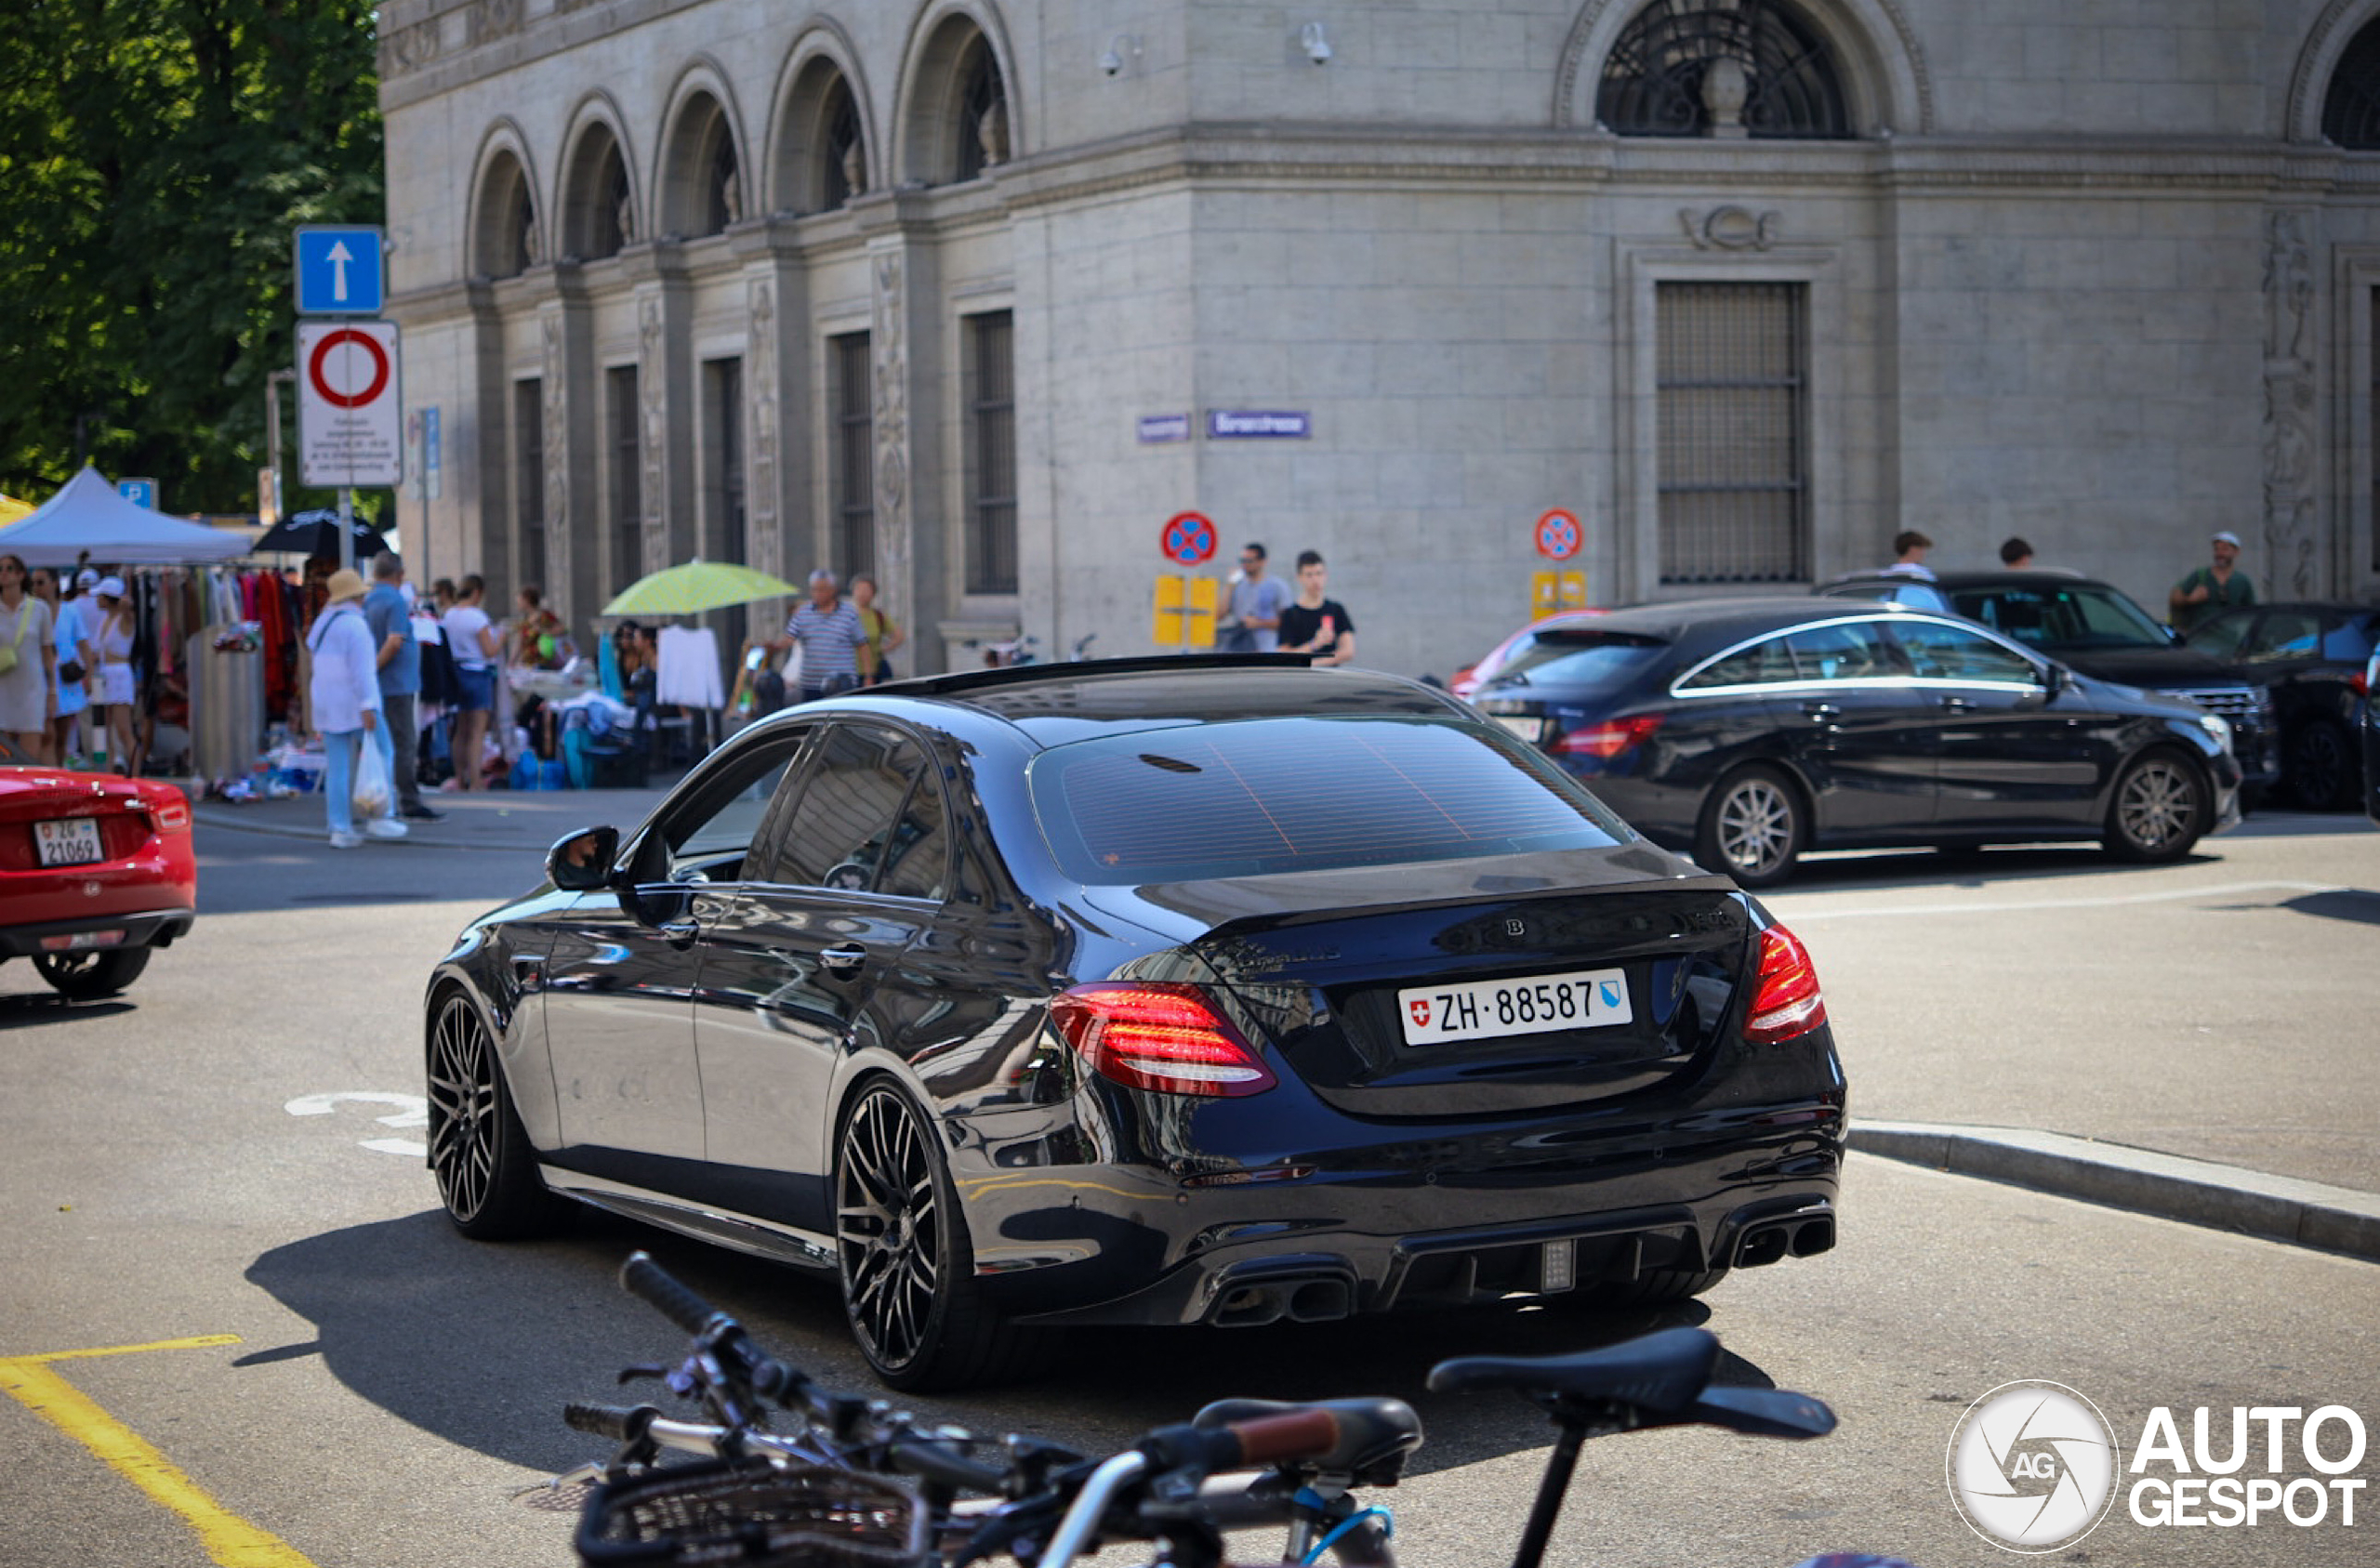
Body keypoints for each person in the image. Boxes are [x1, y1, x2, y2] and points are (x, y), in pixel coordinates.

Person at [307, 568, 403, 847]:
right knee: (383, 752)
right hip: (355, 703)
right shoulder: (355, 626)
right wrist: (369, 705)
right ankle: (381, 814)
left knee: (338, 767)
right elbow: (363, 672)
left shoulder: (322, 623)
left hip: (326, 704)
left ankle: (339, 826)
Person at [366, 552, 440, 821]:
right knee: (403, 743)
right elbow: (395, 640)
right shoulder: (395, 599)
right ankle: (408, 801)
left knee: (383, 745)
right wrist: (373, 670)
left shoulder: (369, 599)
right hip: (396, 685)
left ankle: (383, 800)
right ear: (400, 574)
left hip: (382, 686)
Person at [759, 569, 867, 702]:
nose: (818, 594)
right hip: (810, 685)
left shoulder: (849, 613)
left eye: (822, 590)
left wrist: (868, 676)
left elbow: (862, 645)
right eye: (814, 590)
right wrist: (774, 647)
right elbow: (789, 639)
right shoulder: (803, 613)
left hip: (841, 683)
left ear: (833, 590)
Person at [443, 573, 501, 789]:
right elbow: (489, 650)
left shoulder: (449, 615)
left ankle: (459, 777)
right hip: (477, 672)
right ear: (477, 592)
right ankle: (475, 780)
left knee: (461, 729)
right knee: (477, 730)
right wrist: (502, 639)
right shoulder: (477, 617)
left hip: (456, 671)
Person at [31, 565, 93, 766]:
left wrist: (89, 675)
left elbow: (84, 644)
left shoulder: (70, 610)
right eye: (33, 583)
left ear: (54, 583)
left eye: (41, 582)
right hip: (40, 679)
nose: (36, 588)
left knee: (62, 734)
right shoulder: (31, 611)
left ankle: (58, 772)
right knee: (46, 734)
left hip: (65, 679)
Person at [0, 554, 58, 763]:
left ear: (21, 574)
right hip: (3, 691)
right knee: (3, 761)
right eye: (0, 569)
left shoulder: (39, 609)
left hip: (32, 690)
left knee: (30, 758)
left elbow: (47, 653)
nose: (3, 573)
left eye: (9, 568)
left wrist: (53, 692)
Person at [88, 576, 139, 773]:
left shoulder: (123, 619)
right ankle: (108, 774)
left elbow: (128, 608)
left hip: (118, 675)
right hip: (104, 674)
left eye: (100, 596)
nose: (96, 600)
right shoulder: (105, 621)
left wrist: (123, 600)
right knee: (104, 731)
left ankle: (135, 775)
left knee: (124, 730)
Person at [1277, 550, 1356, 667]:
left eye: (1319, 573)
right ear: (1299, 577)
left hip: (1330, 678)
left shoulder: (1336, 609)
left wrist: (1317, 664)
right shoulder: (1290, 614)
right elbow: (1283, 655)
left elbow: (1348, 651)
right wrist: (1314, 644)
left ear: (1325, 575)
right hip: (1300, 679)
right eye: (1309, 575)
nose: (1315, 580)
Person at [2169, 529, 2255, 632]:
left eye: (2225, 549)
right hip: (2199, 637)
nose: (2220, 553)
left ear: (2236, 552)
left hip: (2230, 639)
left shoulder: (2242, 581)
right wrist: (2190, 600)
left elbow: (2251, 612)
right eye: (2216, 549)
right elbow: (2175, 598)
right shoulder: (2201, 576)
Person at [1218, 542, 1290, 652]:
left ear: (1262, 562)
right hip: (1240, 648)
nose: (1245, 565)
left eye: (1249, 561)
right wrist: (1229, 585)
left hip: (1268, 649)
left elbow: (1288, 623)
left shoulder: (1277, 586)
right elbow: (1219, 615)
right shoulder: (1237, 586)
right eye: (1242, 561)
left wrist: (1258, 623)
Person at [851, 574, 906, 683]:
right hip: (849, 671)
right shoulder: (846, 615)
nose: (862, 593)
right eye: (859, 589)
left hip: (873, 670)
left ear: (873, 593)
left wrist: (884, 649)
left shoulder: (878, 616)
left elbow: (899, 636)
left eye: (866, 590)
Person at [509, 584, 567, 670]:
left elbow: (562, 630)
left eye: (519, 600)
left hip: (544, 664)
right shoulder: (525, 620)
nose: (517, 603)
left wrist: (542, 630)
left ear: (527, 600)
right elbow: (520, 642)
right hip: (528, 665)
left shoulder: (544, 616)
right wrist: (512, 662)